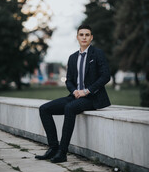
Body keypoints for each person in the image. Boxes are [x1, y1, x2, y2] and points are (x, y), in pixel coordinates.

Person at [35, 24, 111, 163]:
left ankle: (62, 152)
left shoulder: (97, 53)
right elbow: (69, 80)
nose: (84, 37)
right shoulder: (72, 57)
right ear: (77, 37)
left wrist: (86, 91)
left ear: (91, 37)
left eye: (87, 35)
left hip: (93, 98)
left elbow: (105, 76)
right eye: (81, 35)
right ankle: (53, 148)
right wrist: (74, 91)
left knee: (70, 108)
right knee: (44, 109)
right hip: (75, 96)